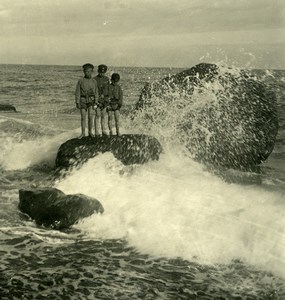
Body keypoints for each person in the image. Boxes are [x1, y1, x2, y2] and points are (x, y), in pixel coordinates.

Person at [75, 63, 99, 138]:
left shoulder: (94, 81)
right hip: (82, 101)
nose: (87, 73)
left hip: (91, 101)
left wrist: (96, 101)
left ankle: (90, 132)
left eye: (89, 71)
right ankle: (82, 133)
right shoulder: (80, 81)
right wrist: (77, 102)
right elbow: (77, 92)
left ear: (92, 71)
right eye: (85, 71)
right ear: (83, 72)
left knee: (90, 117)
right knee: (83, 117)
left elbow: (96, 92)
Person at [94, 64, 109, 136]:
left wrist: (106, 98)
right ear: (98, 71)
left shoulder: (107, 79)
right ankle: (97, 131)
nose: (101, 73)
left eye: (103, 72)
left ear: (105, 72)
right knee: (97, 115)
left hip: (104, 100)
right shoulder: (94, 79)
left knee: (103, 115)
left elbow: (108, 90)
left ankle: (103, 130)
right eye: (100, 72)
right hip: (97, 99)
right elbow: (93, 90)